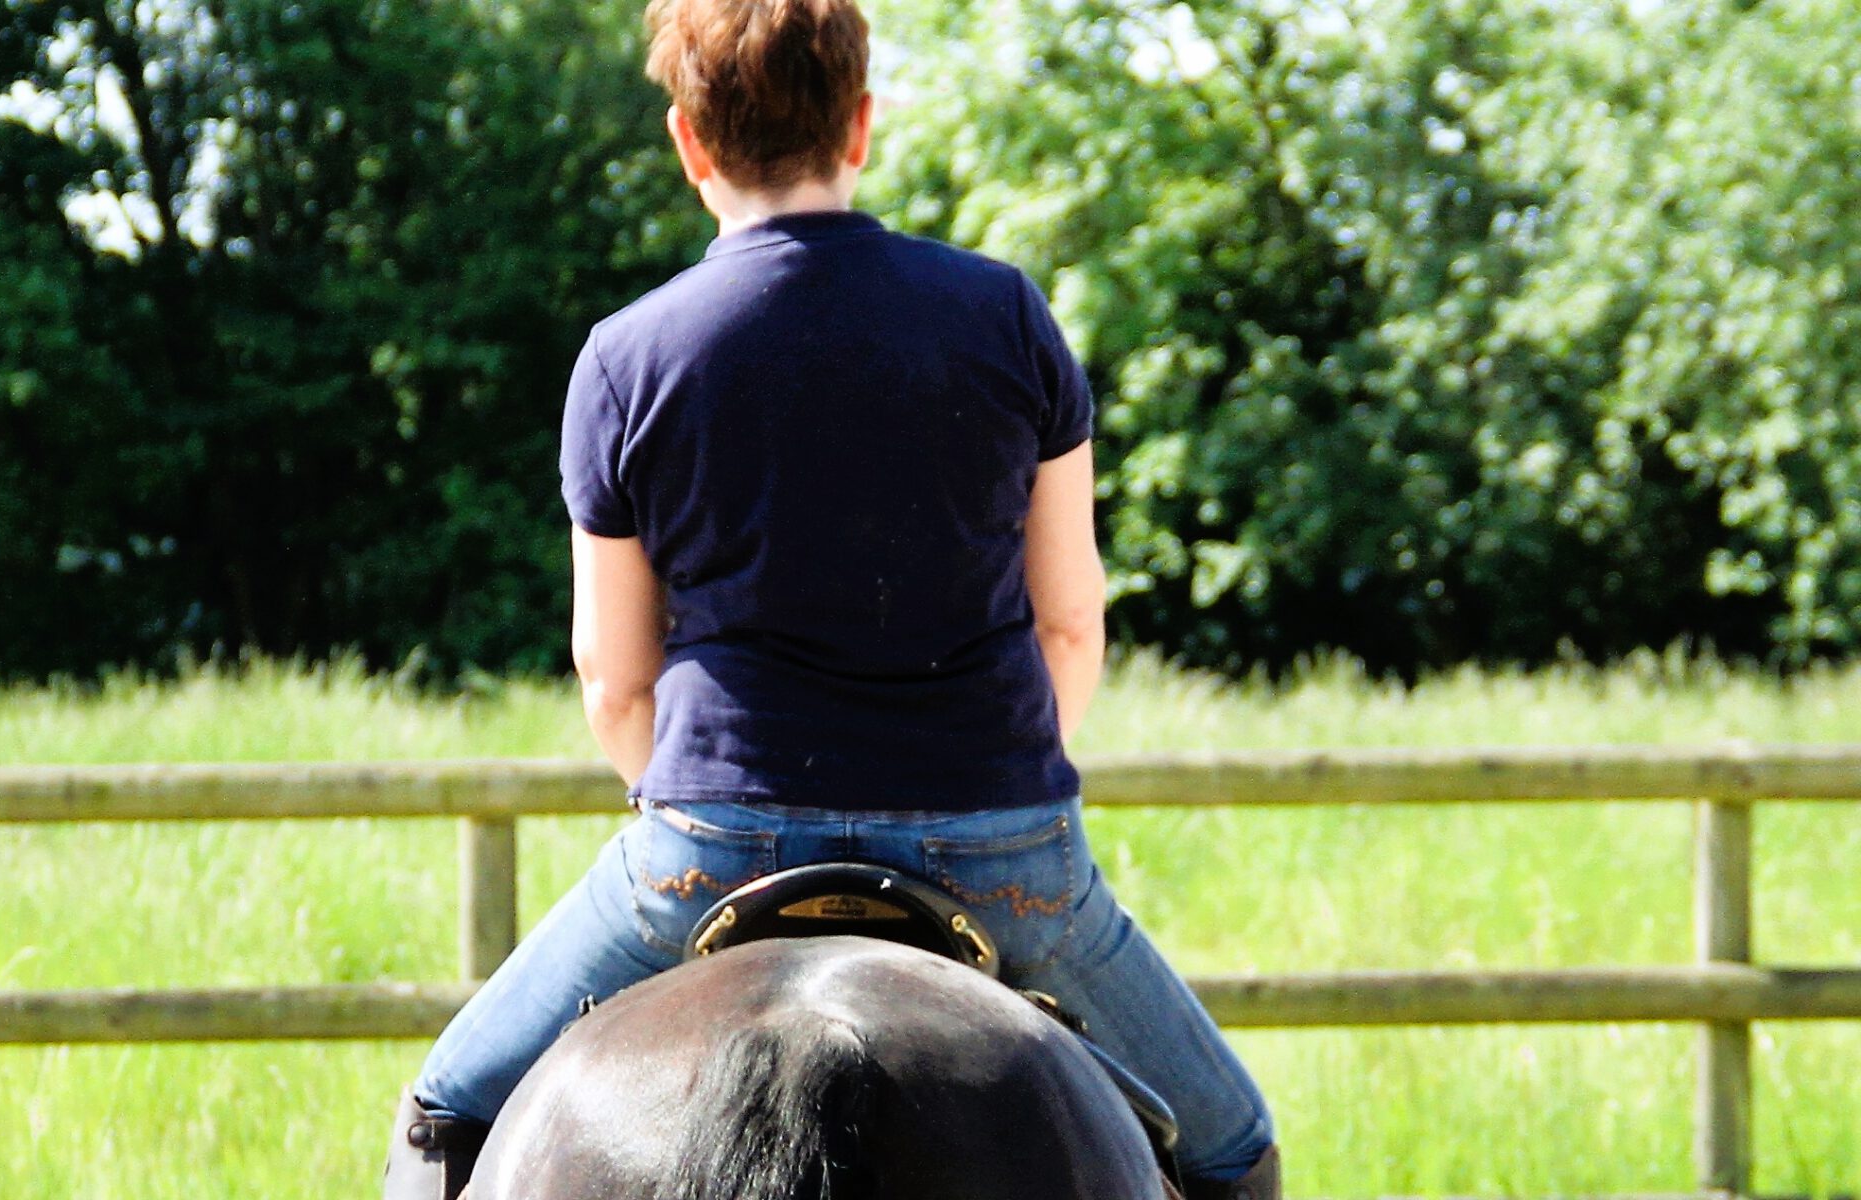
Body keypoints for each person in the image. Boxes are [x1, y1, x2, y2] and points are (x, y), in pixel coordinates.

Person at [382, 1, 1279, 1197]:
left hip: (710, 840)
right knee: (1230, 1142)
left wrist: (713, 804)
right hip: (995, 841)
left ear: (687, 143)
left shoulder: (624, 356)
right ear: (860, 123)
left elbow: (612, 681)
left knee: (445, 1108)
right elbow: (1068, 620)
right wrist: (984, 792)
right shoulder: (1005, 315)